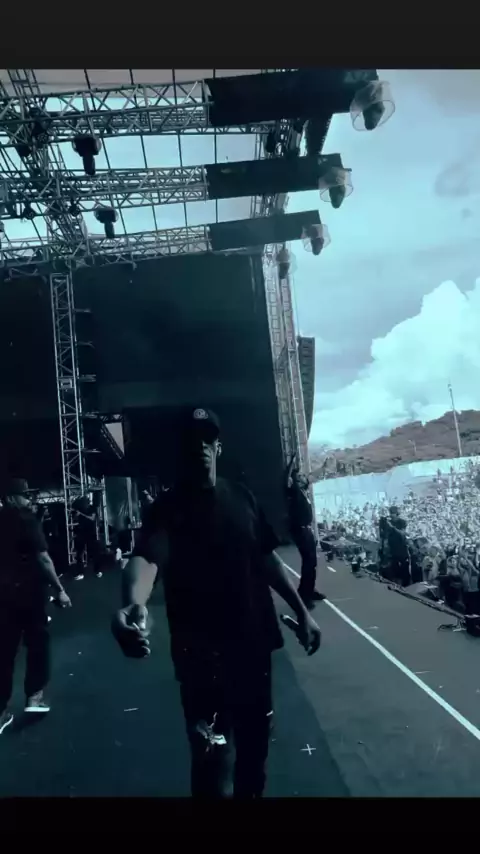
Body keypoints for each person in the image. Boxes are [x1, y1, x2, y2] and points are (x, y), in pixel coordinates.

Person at [112, 407, 321, 799]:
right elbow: (147, 560)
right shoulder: (168, 510)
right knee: (213, 763)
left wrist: (301, 611)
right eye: (193, 441)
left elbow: (268, 561)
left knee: (255, 754)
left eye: (208, 439)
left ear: (218, 447)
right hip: (202, 659)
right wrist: (133, 602)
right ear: (183, 450)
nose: (201, 447)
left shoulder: (242, 498)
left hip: (254, 649)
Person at [0, 478, 71, 735]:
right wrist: (60, 590)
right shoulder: (27, 521)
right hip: (29, 593)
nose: (28, 499)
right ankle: (34, 697)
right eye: (24, 495)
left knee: (4, 652)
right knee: (38, 644)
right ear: (11, 498)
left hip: (2, 595)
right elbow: (43, 558)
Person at [285, 454, 324, 609]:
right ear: (295, 480)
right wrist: (291, 464)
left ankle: (309, 590)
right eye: (300, 476)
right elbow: (287, 478)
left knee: (312, 563)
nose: (303, 477)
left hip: (306, 530)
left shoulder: (303, 492)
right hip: (301, 531)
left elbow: (312, 477)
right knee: (308, 563)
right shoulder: (294, 491)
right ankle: (304, 596)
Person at [73, 496, 103, 580]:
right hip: (81, 533)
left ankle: (97, 571)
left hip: (91, 533)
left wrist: (81, 514)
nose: (84, 505)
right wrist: (76, 515)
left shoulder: (92, 509)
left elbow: (92, 518)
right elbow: (75, 519)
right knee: (79, 554)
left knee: (94, 553)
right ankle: (80, 573)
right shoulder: (80, 509)